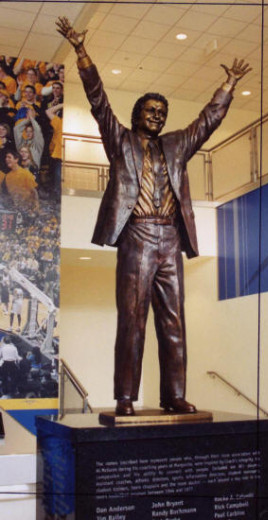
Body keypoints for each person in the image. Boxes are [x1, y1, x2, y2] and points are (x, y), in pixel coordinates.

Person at [56, 17, 251, 416]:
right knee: (132, 321)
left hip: (170, 240)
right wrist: (81, 52)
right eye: (150, 109)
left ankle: (173, 395)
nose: (157, 116)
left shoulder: (178, 145)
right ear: (137, 113)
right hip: (137, 236)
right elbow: (97, 100)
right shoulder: (120, 139)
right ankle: (125, 397)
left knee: (174, 322)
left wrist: (228, 85)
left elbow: (207, 120)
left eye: (162, 111)